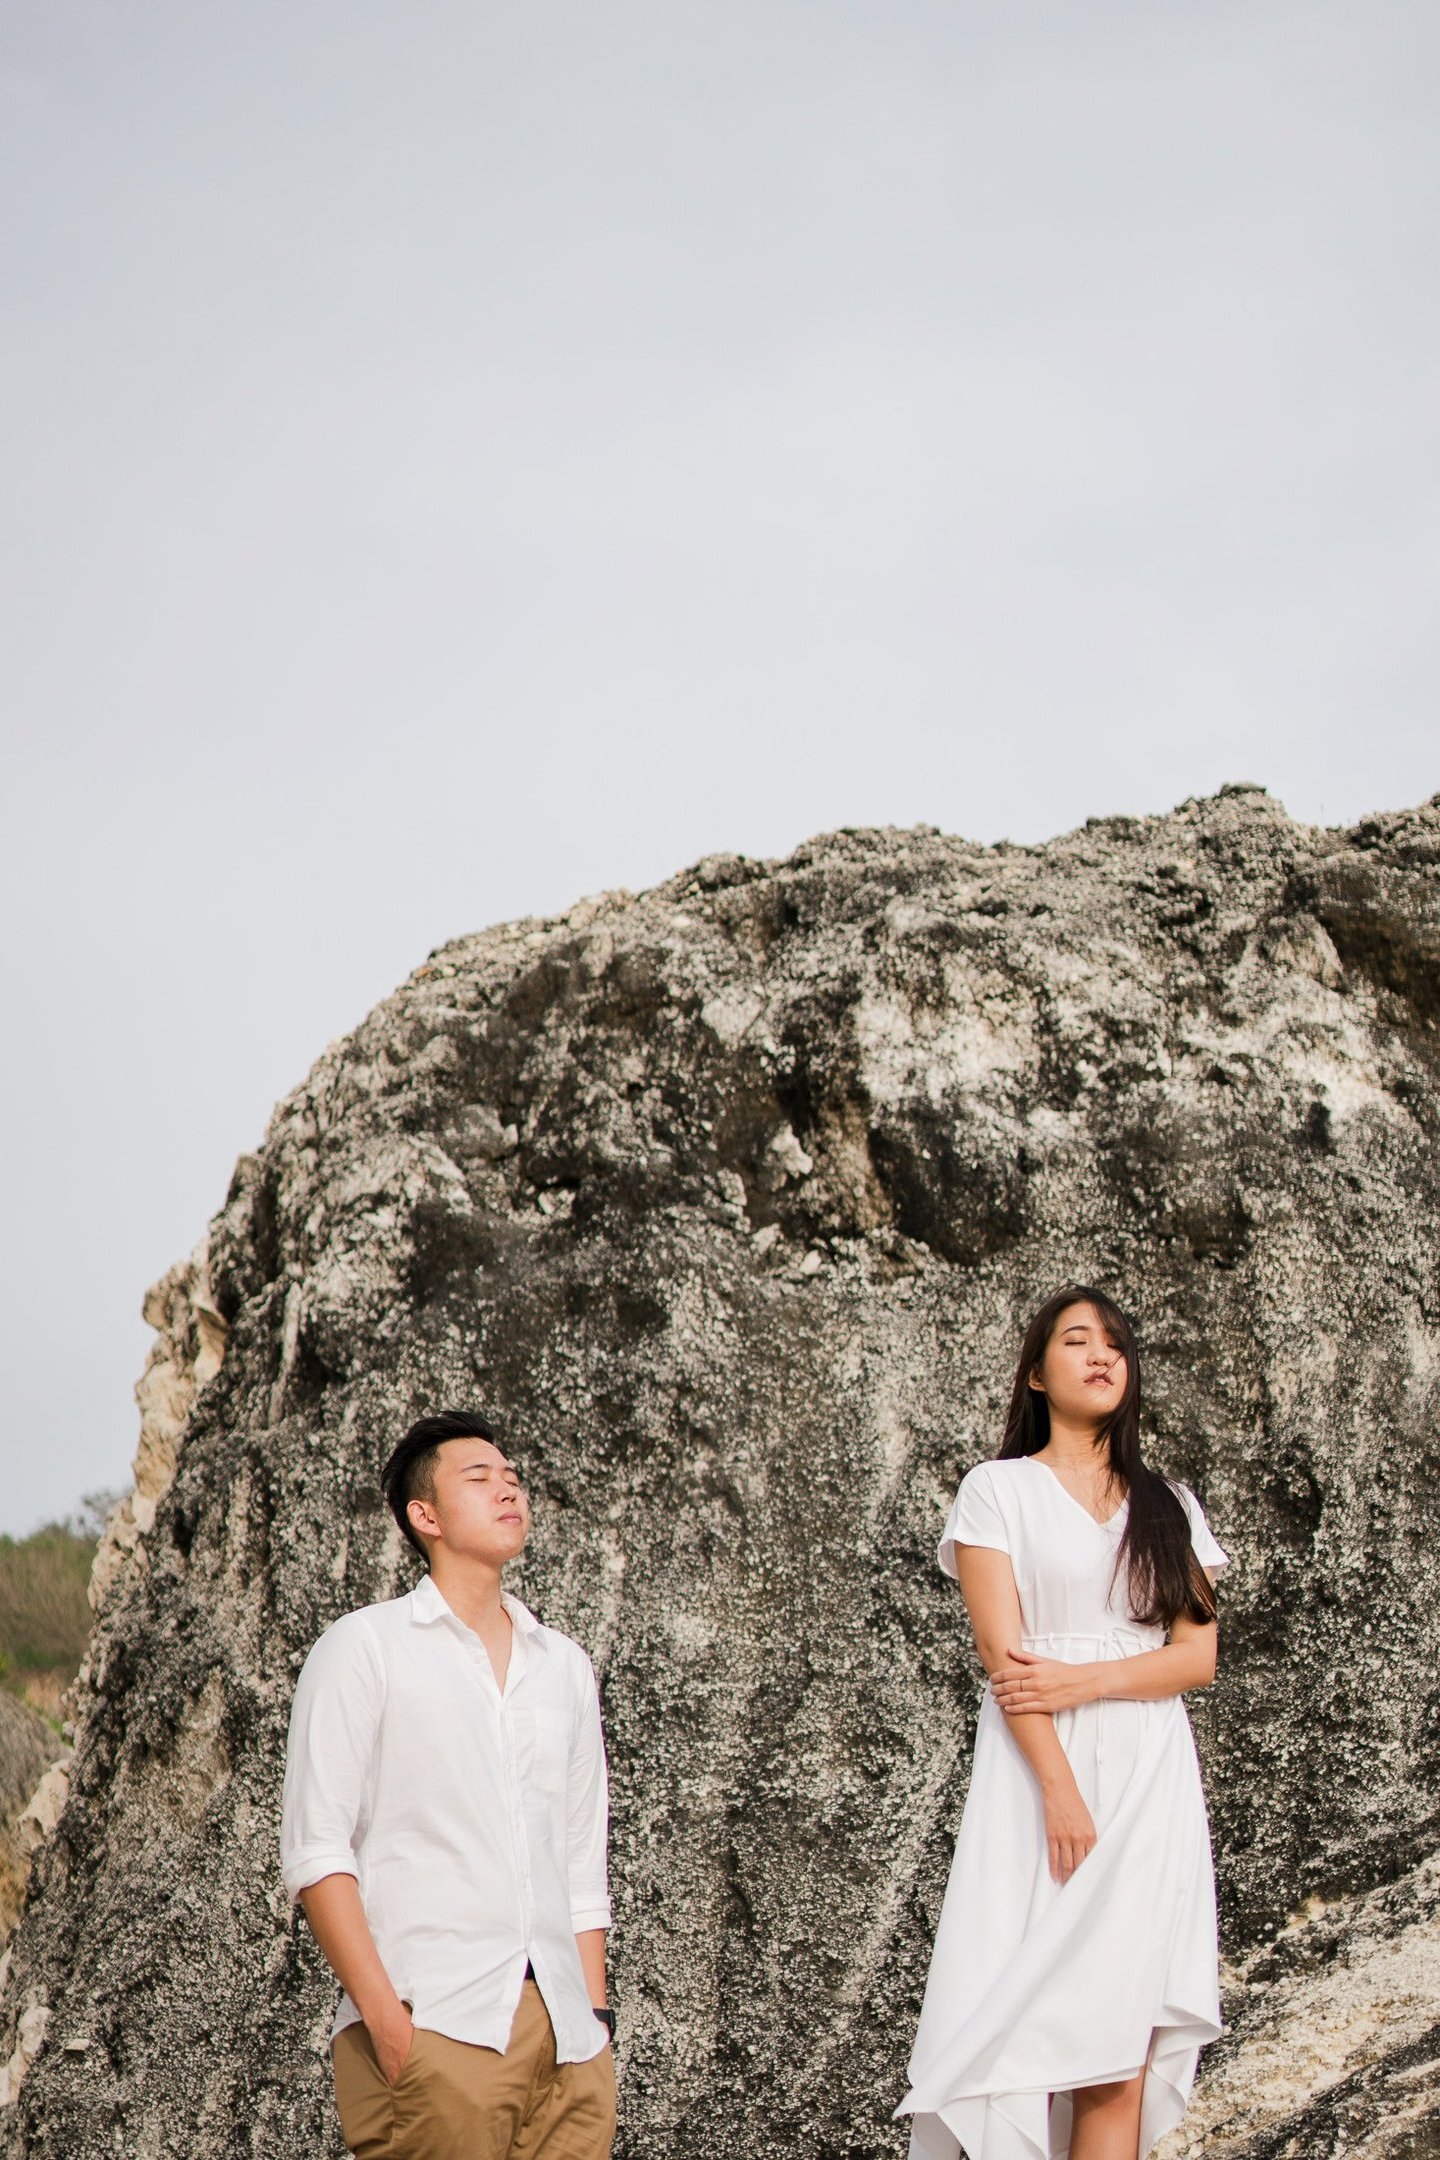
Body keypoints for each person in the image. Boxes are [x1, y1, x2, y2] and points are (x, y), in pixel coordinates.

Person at [898, 1286, 1227, 2160]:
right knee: (1019, 2035)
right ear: (1037, 1374)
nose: (1101, 1355)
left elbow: (1197, 1655)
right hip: (1036, 1769)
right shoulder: (996, 1490)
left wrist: (1088, 1680)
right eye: (1077, 1340)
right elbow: (1007, 1662)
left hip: (1148, 1770)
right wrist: (1058, 1788)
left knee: (1116, 2050)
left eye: (1116, 1343)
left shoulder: (1169, 1503)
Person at [281, 1409, 616, 2160]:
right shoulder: (364, 1647)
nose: (508, 1490)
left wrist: (594, 2024)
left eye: (514, 1479)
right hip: (436, 2022)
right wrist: (388, 2024)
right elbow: (316, 1851)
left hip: (567, 2040)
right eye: (481, 1477)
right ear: (422, 1515)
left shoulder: (562, 1664)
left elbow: (579, 1861)